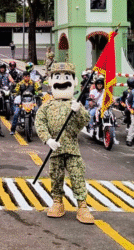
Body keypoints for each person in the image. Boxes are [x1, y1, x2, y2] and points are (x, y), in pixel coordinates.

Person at [35, 62, 94, 224]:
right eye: (57, 77)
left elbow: (85, 121)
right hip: (55, 149)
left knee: (77, 176)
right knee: (56, 176)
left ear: (74, 81)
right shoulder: (46, 106)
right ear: (51, 81)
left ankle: (82, 205)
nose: (62, 81)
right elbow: (40, 123)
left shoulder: (75, 105)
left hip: (72, 149)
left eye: (67, 77)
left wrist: (79, 110)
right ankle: (57, 202)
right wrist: (47, 139)